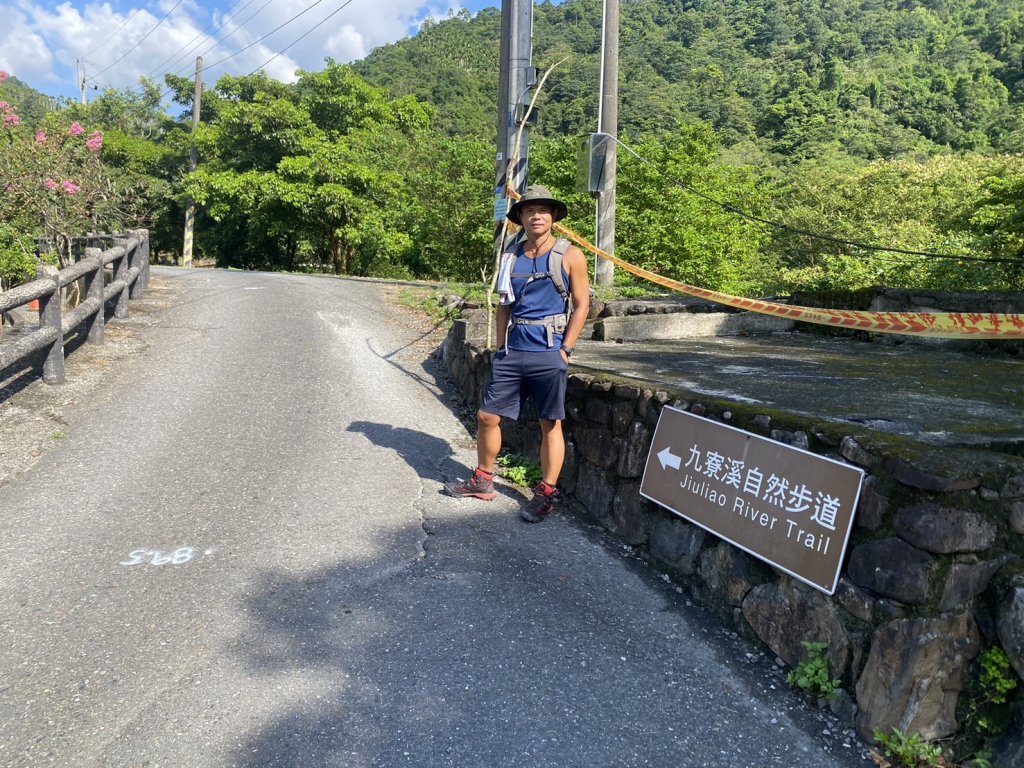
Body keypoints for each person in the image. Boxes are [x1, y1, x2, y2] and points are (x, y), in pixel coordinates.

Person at [447, 185, 590, 523]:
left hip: (549, 349)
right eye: (529, 210)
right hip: (513, 349)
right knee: (487, 416)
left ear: (553, 217)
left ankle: (546, 492)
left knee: (549, 423)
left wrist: (566, 349)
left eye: (542, 210)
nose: (536, 215)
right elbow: (504, 305)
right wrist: (500, 348)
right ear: (520, 217)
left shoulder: (570, 255)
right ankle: (483, 479)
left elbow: (583, 305)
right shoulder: (511, 256)